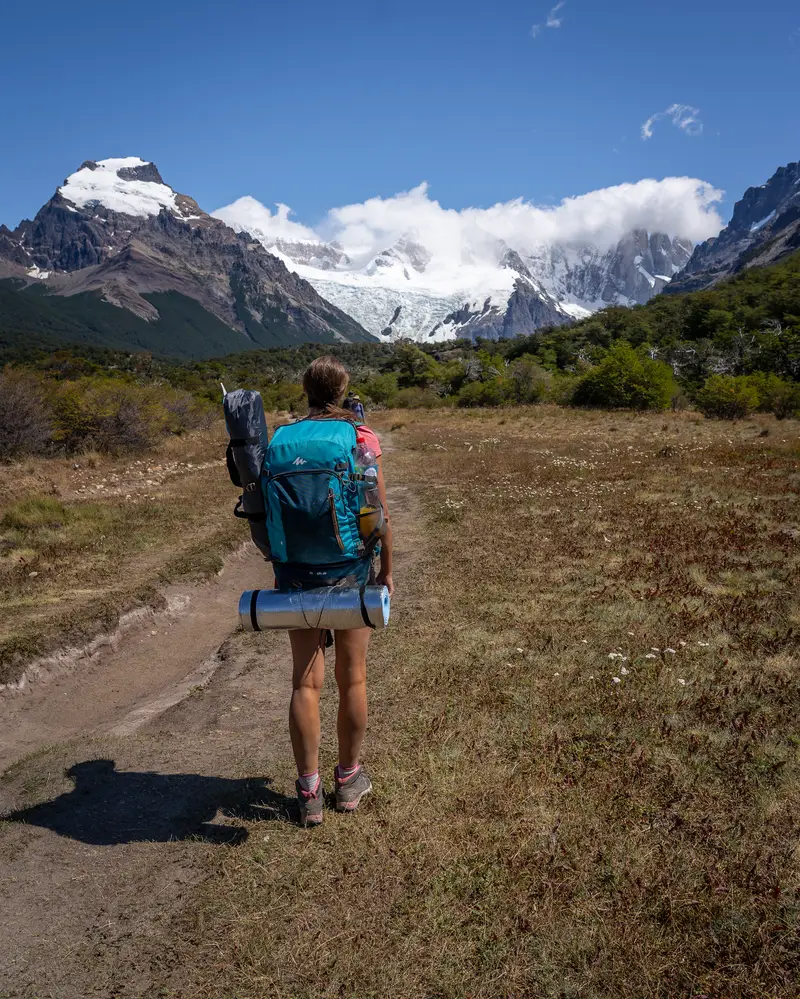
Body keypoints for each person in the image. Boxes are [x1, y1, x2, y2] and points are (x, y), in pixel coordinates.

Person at [274, 356, 393, 827]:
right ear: (343, 393)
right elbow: (378, 511)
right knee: (353, 679)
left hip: (295, 574)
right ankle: (348, 781)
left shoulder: (280, 439)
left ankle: (309, 792)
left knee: (304, 682)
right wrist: (386, 570)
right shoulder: (360, 437)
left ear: (305, 391)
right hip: (351, 571)